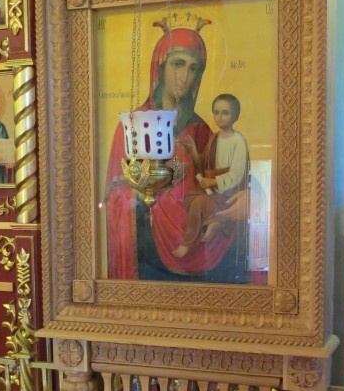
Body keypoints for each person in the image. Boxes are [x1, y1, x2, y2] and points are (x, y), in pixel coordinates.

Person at [104, 21, 247, 281]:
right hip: (148, 253)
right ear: (160, 67)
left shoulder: (201, 130)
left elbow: (220, 183)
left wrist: (248, 195)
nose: (184, 77)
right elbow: (114, 196)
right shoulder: (133, 125)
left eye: (194, 68)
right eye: (177, 64)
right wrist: (139, 193)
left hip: (202, 246)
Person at [172, 94, 249, 257]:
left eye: (225, 113)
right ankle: (214, 221)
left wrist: (213, 182)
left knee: (198, 203)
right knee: (188, 197)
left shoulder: (238, 140)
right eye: (216, 112)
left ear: (235, 115)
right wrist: (194, 152)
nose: (219, 117)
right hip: (212, 191)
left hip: (227, 194)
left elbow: (237, 174)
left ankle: (187, 243)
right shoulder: (214, 138)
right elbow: (205, 162)